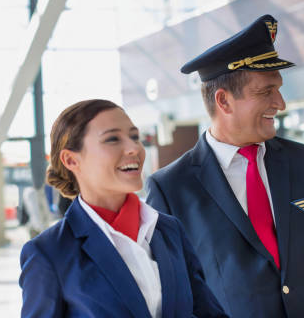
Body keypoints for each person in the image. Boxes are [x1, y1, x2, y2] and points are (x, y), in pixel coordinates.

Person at [146, 15, 304, 317]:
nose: (280, 103)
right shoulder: (171, 188)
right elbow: (174, 296)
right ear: (224, 102)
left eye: (279, 88)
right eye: (265, 92)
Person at [19, 99, 227, 318]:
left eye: (134, 137)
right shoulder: (49, 252)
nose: (134, 148)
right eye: (112, 139)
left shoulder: (168, 231)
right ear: (71, 160)